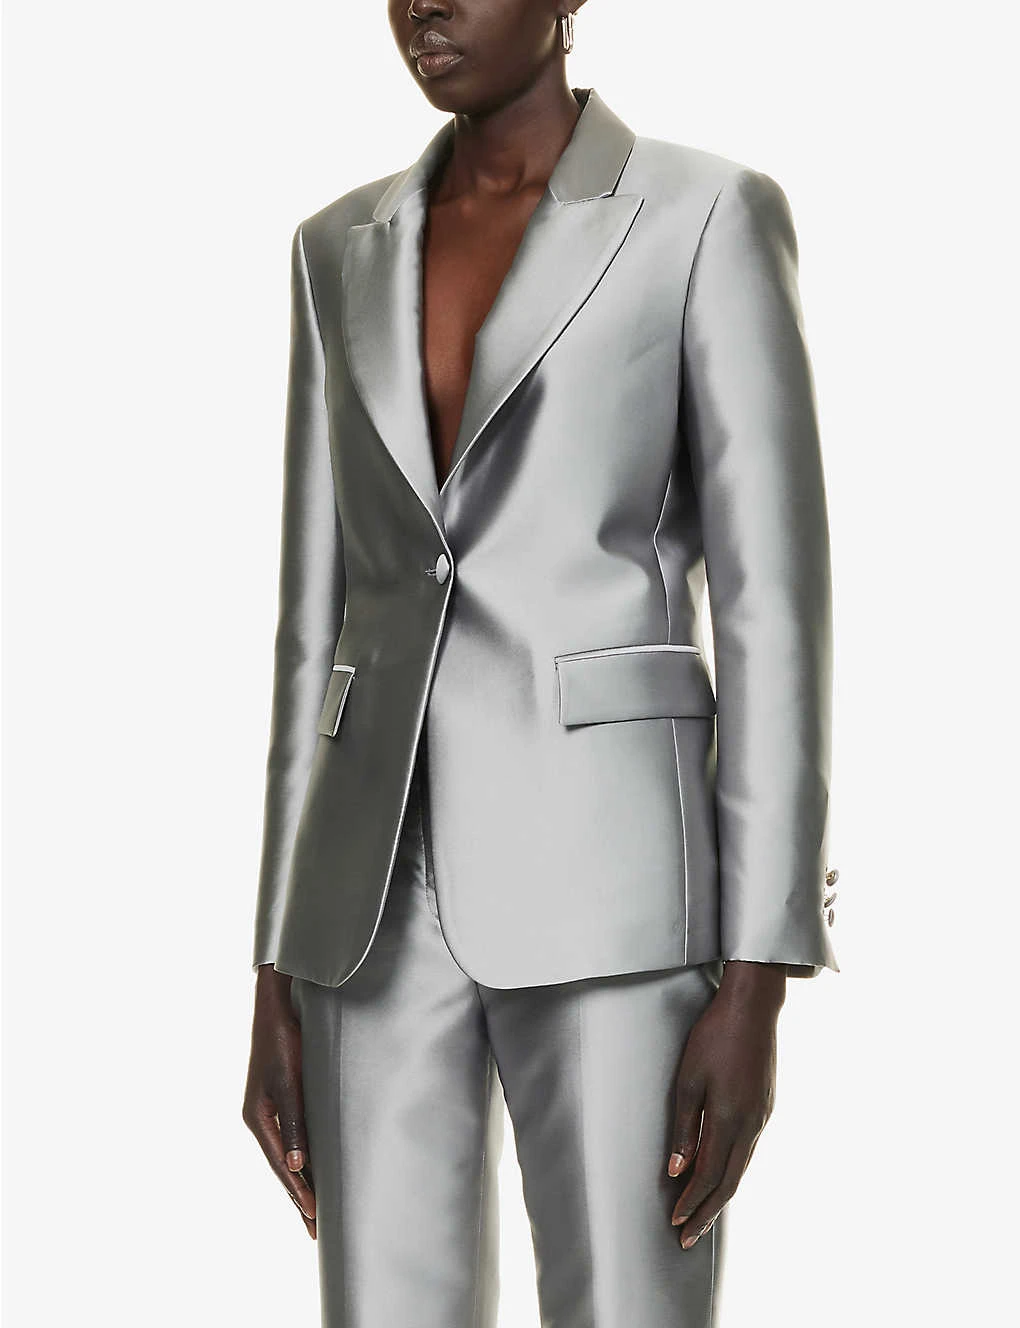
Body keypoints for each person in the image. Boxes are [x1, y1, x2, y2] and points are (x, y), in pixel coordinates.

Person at [242, 2, 840, 1324]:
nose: (425, 5)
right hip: (368, 910)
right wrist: (278, 962)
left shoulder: (704, 217)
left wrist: (758, 975)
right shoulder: (336, 247)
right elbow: (313, 627)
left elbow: (774, 610)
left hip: (614, 888)